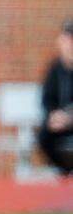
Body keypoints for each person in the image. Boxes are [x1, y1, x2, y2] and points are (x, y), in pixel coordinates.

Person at [39, 19, 73, 173]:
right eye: (67, 40)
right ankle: (63, 171)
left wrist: (70, 118)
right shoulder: (55, 69)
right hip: (59, 123)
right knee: (44, 136)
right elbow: (47, 98)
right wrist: (52, 116)